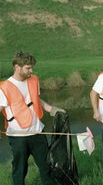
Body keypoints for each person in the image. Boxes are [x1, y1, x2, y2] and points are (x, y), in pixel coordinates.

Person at [0, 51, 65, 185]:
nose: (31, 70)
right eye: (28, 68)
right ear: (17, 67)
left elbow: (36, 99)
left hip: (38, 132)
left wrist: (51, 109)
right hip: (18, 137)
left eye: (31, 67)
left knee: (47, 167)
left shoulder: (34, 79)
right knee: (20, 170)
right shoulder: (4, 87)